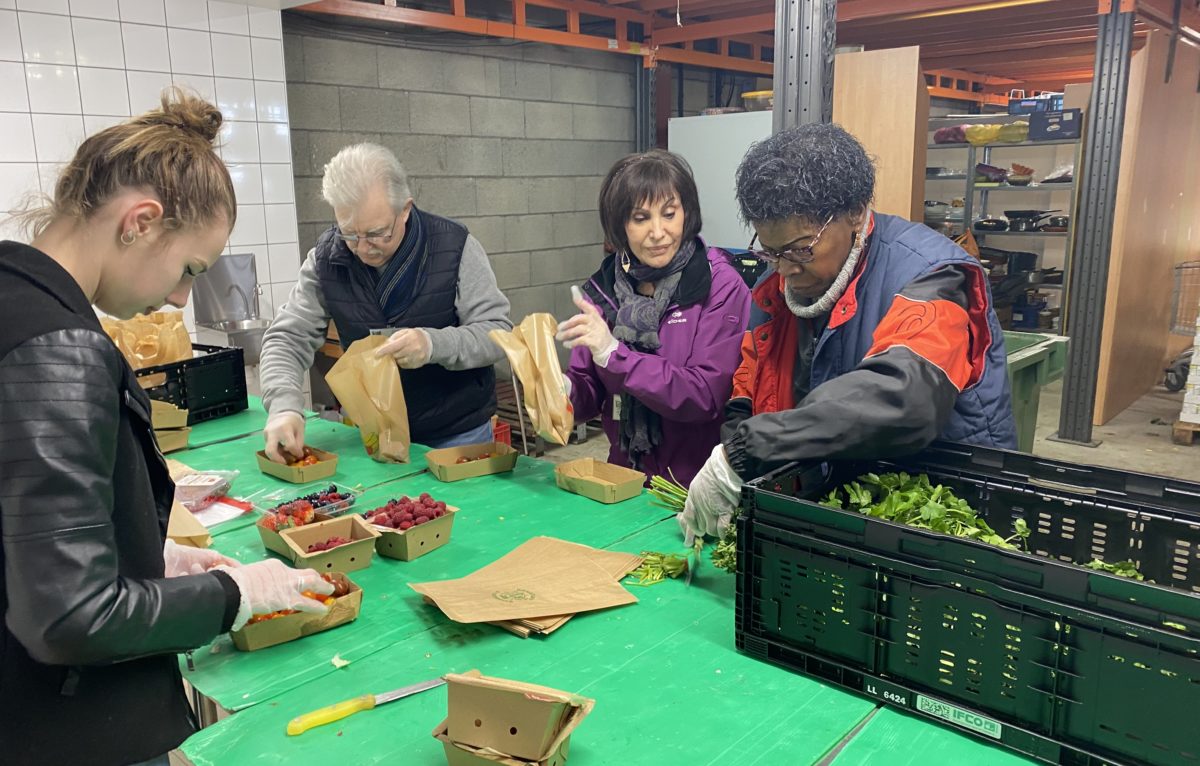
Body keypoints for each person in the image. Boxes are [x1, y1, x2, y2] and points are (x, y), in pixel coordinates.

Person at [0, 90, 334, 766]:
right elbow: (68, 618)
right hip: (66, 728)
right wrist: (230, 595)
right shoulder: (58, 349)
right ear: (141, 222)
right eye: (189, 270)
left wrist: (142, 557)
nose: (182, 298)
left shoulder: (13, 294)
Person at [679, 123, 1017, 542]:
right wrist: (736, 469)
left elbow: (905, 397)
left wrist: (748, 452)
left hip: (946, 514)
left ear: (855, 213)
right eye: (771, 251)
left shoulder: (932, 276)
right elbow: (750, 387)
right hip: (847, 514)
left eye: (802, 249)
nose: (784, 267)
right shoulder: (778, 288)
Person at [259, 143, 512, 461]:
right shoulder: (326, 259)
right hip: (374, 438)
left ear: (405, 209)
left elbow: (499, 334)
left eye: (378, 233)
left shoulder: (455, 246)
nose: (363, 249)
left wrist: (433, 344)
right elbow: (287, 338)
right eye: (350, 234)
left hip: (457, 435)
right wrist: (283, 406)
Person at [557, 150, 751, 486]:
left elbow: (705, 395)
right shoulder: (604, 290)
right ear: (620, 225)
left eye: (669, 214)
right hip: (624, 478)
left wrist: (615, 356)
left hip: (696, 485)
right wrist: (562, 391)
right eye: (641, 217)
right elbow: (591, 390)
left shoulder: (718, 285)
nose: (658, 232)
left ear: (686, 214)